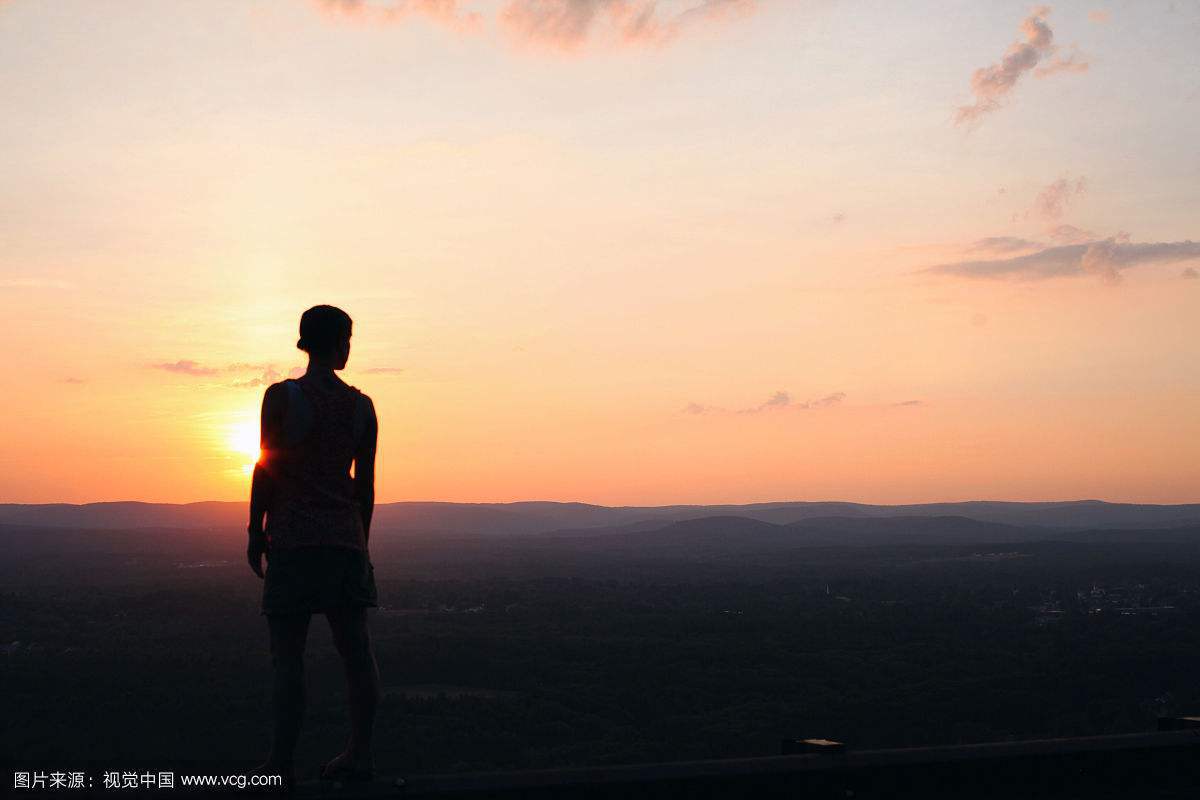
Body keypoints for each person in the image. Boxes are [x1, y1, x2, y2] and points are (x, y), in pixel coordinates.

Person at [248, 305, 381, 787]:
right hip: (343, 543)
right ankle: (360, 754)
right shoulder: (362, 407)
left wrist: (254, 529)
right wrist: (360, 543)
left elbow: (265, 467)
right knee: (356, 652)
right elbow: (364, 486)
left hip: (293, 542)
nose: (350, 346)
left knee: (288, 657)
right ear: (335, 342)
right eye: (348, 337)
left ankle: (280, 763)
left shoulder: (282, 398)